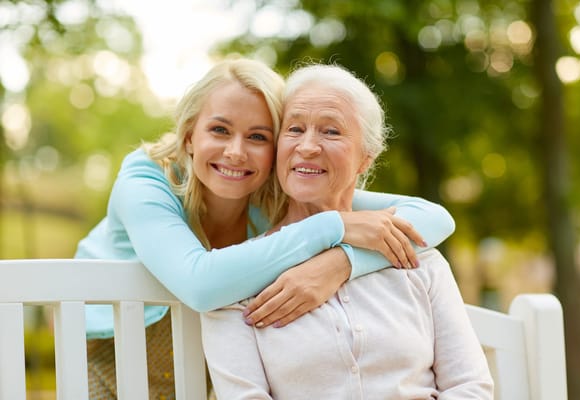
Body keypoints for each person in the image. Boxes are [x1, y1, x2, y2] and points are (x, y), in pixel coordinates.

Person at [75, 58, 455, 399]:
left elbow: (432, 217)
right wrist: (336, 226)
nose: (236, 152)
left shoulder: (269, 190)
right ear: (189, 135)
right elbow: (201, 284)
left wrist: (341, 263)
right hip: (109, 359)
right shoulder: (145, 180)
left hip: (204, 375)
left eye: (258, 137)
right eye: (220, 130)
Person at [201, 63, 493, 399]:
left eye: (331, 132)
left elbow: (470, 387)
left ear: (366, 158)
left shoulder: (421, 261)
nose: (308, 146)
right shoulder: (238, 278)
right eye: (294, 129)